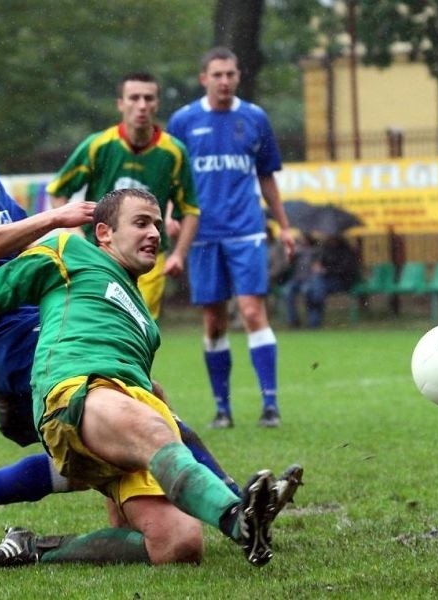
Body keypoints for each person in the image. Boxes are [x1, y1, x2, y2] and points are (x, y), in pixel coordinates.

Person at [0, 70, 237, 545]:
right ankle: (235, 499)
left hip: (35, 313)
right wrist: (58, 217)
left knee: (106, 441)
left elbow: (28, 243)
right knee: (130, 412)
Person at [0, 188, 302, 568]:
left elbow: (144, 388)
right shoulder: (67, 250)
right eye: (141, 222)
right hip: (75, 393)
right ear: (104, 233)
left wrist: (158, 403)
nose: (154, 233)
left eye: (158, 225)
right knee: (152, 425)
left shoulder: (145, 322)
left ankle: (32, 549)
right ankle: (237, 518)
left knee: (179, 543)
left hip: (122, 417)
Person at [167, 47, 295, 429]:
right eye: (217, 74)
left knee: (253, 311)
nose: (224, 81)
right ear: (203, 78)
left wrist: (284, 225)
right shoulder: (184, 120)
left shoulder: (255, 118)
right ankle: (222, 409)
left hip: (246, 230)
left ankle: (270, 404)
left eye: (230, 74)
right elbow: (173, 173)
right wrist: (171, 216)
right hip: (203, 234)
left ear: (238, 77)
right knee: (214, 321)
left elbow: (266, 175)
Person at [46, 72, 199, 321]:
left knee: (138, 329)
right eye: (134, 97)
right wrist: (76, 236)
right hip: (99, 253)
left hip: (149, 256)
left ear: (157, 104)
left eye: (148, 98)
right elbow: (58, 191)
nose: (141, 105)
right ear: (121, 103)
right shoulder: (99, 145)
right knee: (98, 324)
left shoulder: (174, 152)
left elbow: (191, 209)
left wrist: (179, 254)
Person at [302, 233, 360, 328]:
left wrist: (326, 270)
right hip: (325, 281)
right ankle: (314, 321)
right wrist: (317, 266)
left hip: (342, 281)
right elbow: (321, 263)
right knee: (314, 288)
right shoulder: (325, 249)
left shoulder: (346, 251)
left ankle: (314, 322)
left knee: (315, 290)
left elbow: (345, 270)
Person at [282, 232, 317, 328]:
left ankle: (312, 322)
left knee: (307, 293)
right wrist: (290, 253)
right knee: (287, 292)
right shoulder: (297, 251)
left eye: (303, 238)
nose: (302, 240)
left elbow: (317, 267)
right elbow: (287, 264)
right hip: (297, 279)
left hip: (310, 280)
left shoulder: (315, 252)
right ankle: (293, 320)